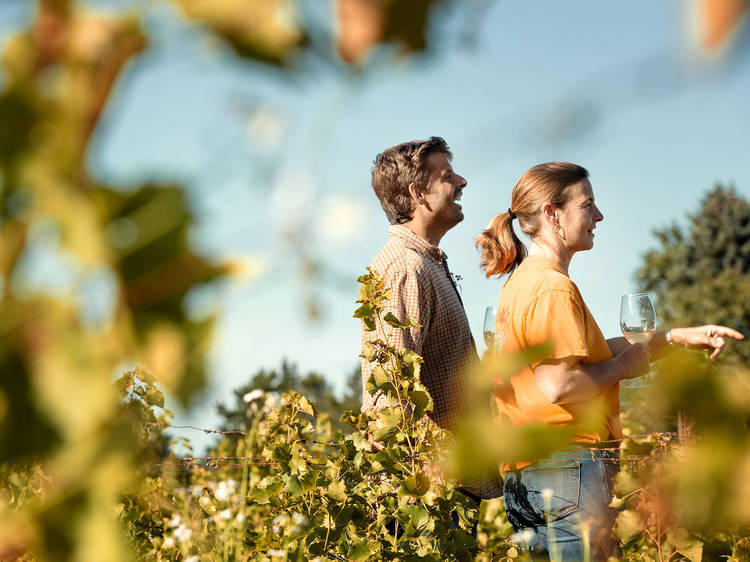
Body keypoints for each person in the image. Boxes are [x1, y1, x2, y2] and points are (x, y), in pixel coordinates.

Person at [475, 162, 744, 560]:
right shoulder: (553, 288)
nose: (598, 216)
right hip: (572, 467)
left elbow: (592, 354)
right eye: (588, 205)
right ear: (552, 214)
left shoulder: (521, 283)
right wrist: (623, 368)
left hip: (527, 473)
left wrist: (674, 338)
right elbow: (560, 385)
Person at [361, 136, 502, 504]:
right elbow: (389, 396)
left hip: (442, 489)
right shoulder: (405, 269)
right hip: (428, 498)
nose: (462, 182)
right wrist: (442, 477)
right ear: (418, 193)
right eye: (447, 176)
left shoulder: (424, 263)